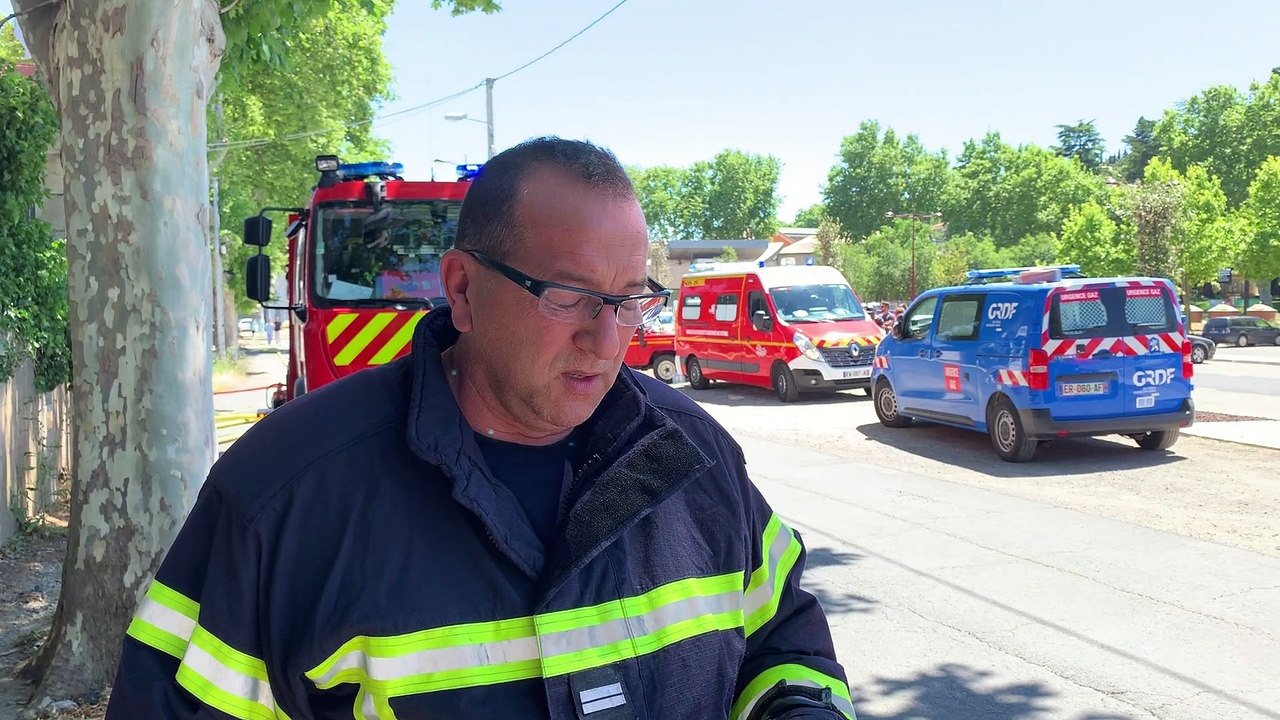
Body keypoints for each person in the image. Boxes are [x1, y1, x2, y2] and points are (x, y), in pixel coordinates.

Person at [104, 137, 855, 720]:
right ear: (463, 289)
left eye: (630, 299)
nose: (607, 339)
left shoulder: (695, 456)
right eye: (570, 296)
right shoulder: (280, 497)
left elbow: (784, 636)